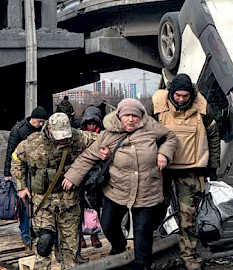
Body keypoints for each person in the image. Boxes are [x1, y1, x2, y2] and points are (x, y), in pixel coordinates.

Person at [62, 98, 179, 270]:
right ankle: (119, 245)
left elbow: (171, 137)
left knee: (142, 234)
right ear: (119, 116)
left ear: (141, 117)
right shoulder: (109, 134)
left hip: (147, 190)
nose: (131, 119)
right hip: (117, 189)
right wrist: (72, 176)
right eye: (127, 116)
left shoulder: (151, 127)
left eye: (134, 116)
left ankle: (142, 266)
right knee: (108, 225)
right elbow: (88, 156)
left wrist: (164, 153)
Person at [146, 73, 220, 270]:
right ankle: (145, 251)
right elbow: (143, 133)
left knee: (188, 215)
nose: (180, 99)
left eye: (184, 96)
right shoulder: (157, 104)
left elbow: (213, 135)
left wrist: (212, 167)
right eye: (177, 95)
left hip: (191, 168)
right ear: (171, 93)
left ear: (191, 95)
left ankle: (190, 256)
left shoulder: (202, 106)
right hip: (160, 167)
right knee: (153, 210)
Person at [11, 113, 98, 269]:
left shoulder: (79, 138)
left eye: (65, 136)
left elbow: (103, 140)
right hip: (43, 200)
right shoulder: (33, 143)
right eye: (59, 136)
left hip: (69, 200)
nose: (63, 140)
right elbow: (17, 160)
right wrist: (21, 186)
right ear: (49, 130)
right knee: (44, 242)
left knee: (70, 246)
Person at [4, 106, 48, 246]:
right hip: (23, 172)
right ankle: (25, 234)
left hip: (39, 173)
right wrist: (8, 174)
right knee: (24, 204)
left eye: (43, 122)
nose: (41, 124)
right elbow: (11, 153)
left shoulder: (44, 130)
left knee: (39, 203)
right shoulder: (18, 130)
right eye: (39, 121)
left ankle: (36, 231)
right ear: (33, 118)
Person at [78, 106, 106, 250]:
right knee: (79, 208)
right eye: (88, 124)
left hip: (97, 178)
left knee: (95, 208)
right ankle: (80, 236)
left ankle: (94, 235)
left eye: (93, 124)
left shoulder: (104, 136)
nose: (90, 127)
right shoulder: (78, 137)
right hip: (82, 178)